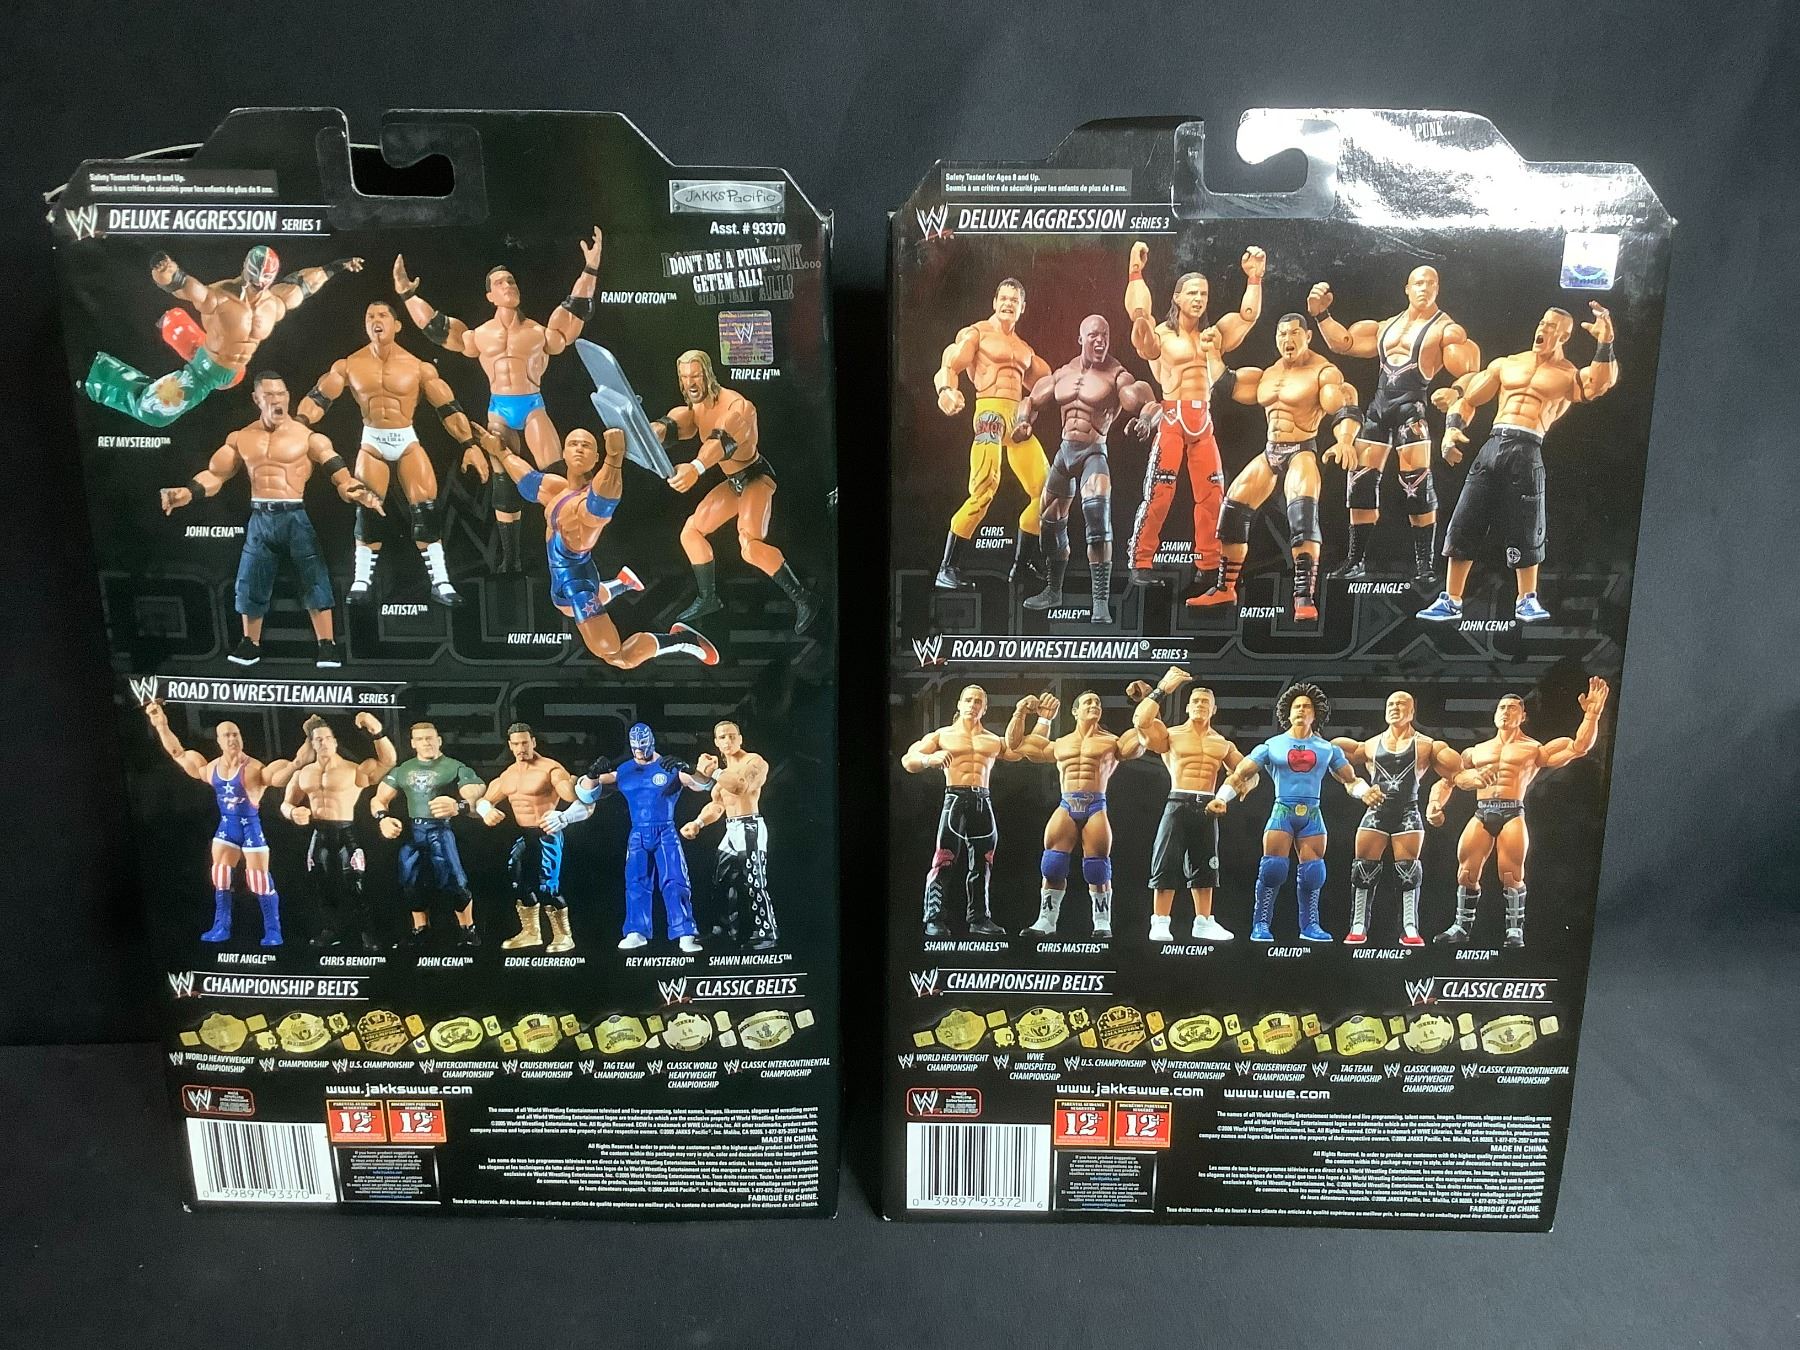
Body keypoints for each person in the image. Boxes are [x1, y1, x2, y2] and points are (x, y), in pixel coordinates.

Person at [393, 230, 601, 569]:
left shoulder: (539, 332)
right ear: (490, 296)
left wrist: (590, 269)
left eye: (512, 281)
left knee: (557, 476)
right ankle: (511, 560)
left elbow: (576, 310)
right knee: (504, 480)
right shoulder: (479, 335)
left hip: (532, 405)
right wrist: (406, 294)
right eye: (500, 283)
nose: (508, 286)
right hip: (499, 409)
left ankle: (570, 546)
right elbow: (434, 327)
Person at [159, 372, 383, 669]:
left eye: (281, 394)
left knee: (314, 578)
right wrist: (188, 493)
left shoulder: (308, 438)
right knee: (250, 580)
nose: (277, 400)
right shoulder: (241, 438)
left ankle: (327, 646)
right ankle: (249, 644)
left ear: (288, 396)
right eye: (270, 395)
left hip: (294, 516)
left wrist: (354, 490)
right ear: (257, 399)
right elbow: (215, 475)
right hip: (260, 518)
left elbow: (338, 472)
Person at [1418, 303, 1618, 624]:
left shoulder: (1567, 375)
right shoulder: (1507, 364)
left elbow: (1599, 384)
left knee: (1527, 523)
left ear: (1564, 336)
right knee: (1466, 518)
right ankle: (1451, 599)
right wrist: (1452, 430)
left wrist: (1605, 342)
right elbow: (1469, 398)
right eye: (1543, 323)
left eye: (1552, 327)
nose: (1544, 329)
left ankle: (1527, 599)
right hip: (1494, 442)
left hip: (1528, 446)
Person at [296, 300, 494, 606]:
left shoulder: (417, 367)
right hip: (372, 441)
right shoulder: (349, 365)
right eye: (370, 316)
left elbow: (447, 407)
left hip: (405, 438)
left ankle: (441, 581)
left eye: (382, 315)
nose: (375, 320)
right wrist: (297, 428)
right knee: (367, 509)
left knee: (426, 510)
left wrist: (469, 445)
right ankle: (361, 580)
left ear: (397, 325)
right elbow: (319, 398)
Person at [477, 423, 718, 667]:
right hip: (567, 578)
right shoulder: (556, 488)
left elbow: (601, 503)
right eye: (573, 444)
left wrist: (614, 459)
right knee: (564, 607)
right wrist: (501, 452)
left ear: (596, 458)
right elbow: (528, 481)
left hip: (579, 588)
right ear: (564, 453)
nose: (579, 448)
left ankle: (681, 640)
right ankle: (622, 584)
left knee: (616, 656)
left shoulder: (586, 504)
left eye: (587, 445)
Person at [1308, 267, 1480, 585]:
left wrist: (1456, 391)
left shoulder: (1446, 329)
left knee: (1416, 486)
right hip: (1378, 408)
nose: (1424, 288)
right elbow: (1344, 342)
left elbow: (1472, 370)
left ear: (1438, 288)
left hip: (1411, 409)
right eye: (1419, 283)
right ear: (1407, 288)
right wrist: (1321, 315)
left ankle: (1424, 566)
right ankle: (1355, 561)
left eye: (1431, 283)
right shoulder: (1385, 326)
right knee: (1359, 483)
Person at [1193, 315, 1360, 621]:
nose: (1288, 339)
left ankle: (1304, 598)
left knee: (1302, 518)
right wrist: (1212, 352)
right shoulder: (1268, 374)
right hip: (1270, 452)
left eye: (1294, 333)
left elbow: (1344, 405)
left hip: (1301, 452)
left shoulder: (1323, 372)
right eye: (1282, 334)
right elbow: (1227, 383)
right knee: (1233, 509)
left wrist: (1346, 440)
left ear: (1308, 336)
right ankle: (1225, 588)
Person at [85, 245, 362, 426]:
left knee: (222, 364)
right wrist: (168, 272)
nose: (256, 290)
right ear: (246, 272)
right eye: (253, 283)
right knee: (152, 412)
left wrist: (336, 266)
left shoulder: (276, 302)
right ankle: (98, 377)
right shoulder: (220, 298)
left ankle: (173, 323)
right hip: (204, 372)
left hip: (234, 373)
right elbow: (185, 287)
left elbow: (305, 284)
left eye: (262, 285)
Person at [1122, 242, 1266, 591]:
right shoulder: (1162, 334)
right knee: (1159, 493)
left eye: (1203, 293)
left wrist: (1255, 278)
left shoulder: (1213, 335)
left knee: (1213, 495)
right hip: (1172, 419)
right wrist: (1135, 272)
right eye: (1192, 292)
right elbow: (1141, 329)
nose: (1199, 298)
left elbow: (1248, 316)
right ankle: (1140, 561)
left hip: (1203, 422)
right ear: (1177, 297)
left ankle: (1209, 563)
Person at [1426, 679, 1609, 947]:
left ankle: (1514, 931)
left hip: (1511, 812)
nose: (1506, 712)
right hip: (1482, 811)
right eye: (1502, 707)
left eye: (1512, 708)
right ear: (1495, 714)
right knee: (1466, 873)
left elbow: (1578, 747)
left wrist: (1592, 715)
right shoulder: (1476, 751)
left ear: (1523, 716)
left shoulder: (1533, 749)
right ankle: (1461, 928)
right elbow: (1448, 780)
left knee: (1511, 875)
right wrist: (1434, 804)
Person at [656, 350, 819, 633]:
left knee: (750, 545)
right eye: (684, 377)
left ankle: (804, 598)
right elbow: (677, 425)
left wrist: (695, 468)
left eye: (695, 376)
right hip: (733, 483)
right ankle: (708, 598)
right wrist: (653, 432)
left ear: (707, 375)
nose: (690, 383)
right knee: (691, 531)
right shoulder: (696, 408)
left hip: (756, 477)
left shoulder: (738, 407)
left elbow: (721, 442)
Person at [1011, 315, 1157, 622]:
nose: (1100, 340)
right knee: (1049, 524)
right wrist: (1022, 422)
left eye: (1105, 335)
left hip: (1093, 453)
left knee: (1097, 517)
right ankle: (1053, 591)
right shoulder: (1064, 373)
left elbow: (1145, 400)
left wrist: (1145, 420)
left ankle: (1100, 604)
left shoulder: (1117, 375)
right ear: (1081, 339)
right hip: (1065, 453)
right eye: (1093, 335)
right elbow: (1030, 401)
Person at [1210, 683, 1381, 942]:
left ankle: (1310, 925)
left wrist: (1365, 792)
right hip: (1283, 810)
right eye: (1296, 706)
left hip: (1311, 813)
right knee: (1273, 870)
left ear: (1316, 714)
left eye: (1307, 706)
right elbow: (1239, 775)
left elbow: (1350, 779)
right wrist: (1221, 798)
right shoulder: (1271, 746)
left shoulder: (1327, 749)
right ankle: (1260, 924)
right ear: (1287, 714)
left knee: (1313, 873)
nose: (1301, 710)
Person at [1329, 691, 1494, 946]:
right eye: (1390, 704)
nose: (1395, 707)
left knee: (1409, 873)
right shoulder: (1370, 745)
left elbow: (1457, 775)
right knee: (1363, 869)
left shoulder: (1427, 745)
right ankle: (1358, 924)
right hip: (1377, 811)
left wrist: (1475, 779)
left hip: (1407, 812)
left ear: (1412, 711)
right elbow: (1334, 757)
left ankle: (1409, 926)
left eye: (1401, 704)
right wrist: (1361, 789)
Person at [142, 699, 307, 946]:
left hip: (250, 826)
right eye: (226, 735)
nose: (232, 739)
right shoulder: (210, 768)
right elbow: (178, 753)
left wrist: (297, 762)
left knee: (259, 880)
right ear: (218, 741)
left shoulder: (254, 768)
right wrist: (161, 724)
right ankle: (221, 927)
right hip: (227, 827)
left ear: (241, 738)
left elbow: (278, 777)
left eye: (235, 734)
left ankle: (273, 931)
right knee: (220, 876)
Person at [547, 723, 716, 953]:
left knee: (675, 881)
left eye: (642, 745)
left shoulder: (670, 767)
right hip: (638, 832)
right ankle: (637, 931)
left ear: (651, 742)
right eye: (635, 746)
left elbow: (703, 784)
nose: (639, 751)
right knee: (636, 882)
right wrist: (592, 774)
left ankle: (685, 932)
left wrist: (689, 768)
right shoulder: (625, 770)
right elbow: (586, 794)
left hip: (665, 830)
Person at [931, 279, 1053, 589]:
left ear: (1022, 308)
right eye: (1004, 298)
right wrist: (945, 390)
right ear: (995, 302)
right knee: (984, 488)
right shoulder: (977, 334)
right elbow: (950, 363)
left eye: (1015, 300)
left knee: (1048, 492)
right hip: (990, 415)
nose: (1008, 303)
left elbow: (1049, 383)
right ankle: (948, 567)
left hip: (1017, 421)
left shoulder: (1025, 350)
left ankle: (1022, 566)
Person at [1004, 690, 1144, 939]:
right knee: (1052, 865)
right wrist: (1023, 713)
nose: (1094, 705)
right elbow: (1016, 745)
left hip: (1095, 805)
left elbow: (1143, 738)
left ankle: (1102, 922)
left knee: (1097, 868)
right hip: (1067, 803)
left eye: (1098, 702)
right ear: (1075, 711)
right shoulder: (1061, 743)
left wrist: (1146, 703)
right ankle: (1046, 920)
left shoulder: (1112, 742)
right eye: (1088, 702)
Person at [1128, 667, 1247, 942]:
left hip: (1208, 805)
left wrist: (1225, 796)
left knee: (1206, 867)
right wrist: (1163, 688)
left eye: (1205, 702)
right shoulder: (1171, 735)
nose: (1200, 705)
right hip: (1178, 802)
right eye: (1195, 701)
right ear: (1186, 707)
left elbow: (1247, 774)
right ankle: (1160, 922)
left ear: (1214, 710)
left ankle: (1204, 922)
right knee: (1166, 862)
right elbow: (1141, 722)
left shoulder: (1223, 744)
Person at [901, 685, 1022, 938]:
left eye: (978, 701)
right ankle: (933, 918)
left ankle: (979, 919)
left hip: (982, 799)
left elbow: (1022, 750)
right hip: (955, 798)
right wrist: (928, 759)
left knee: (983, 862)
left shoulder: (993, 740)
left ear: (984, 708)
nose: (972, 705)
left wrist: (1027, 716)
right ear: (959, 704)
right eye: (968, 700)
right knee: (944, 859)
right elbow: (908, 760)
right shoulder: (942, 735)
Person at [279, 713, 396, 951]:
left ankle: (366, 932)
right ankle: (330, 930)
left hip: (346, 832)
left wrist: (377, 732)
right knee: (320, 885)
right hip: (319, 832)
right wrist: (292, 812)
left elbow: (387, 762)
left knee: (355, 885)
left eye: (327, 738)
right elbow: (286, 803)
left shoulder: (353, 770)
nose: (323, 743)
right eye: (318, 739)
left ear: (334, 741)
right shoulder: (303, 773)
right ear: (312, 743)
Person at [371, 723, 486, 949]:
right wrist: (382, 818)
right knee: (411, 881)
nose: (426, 742)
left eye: (430, 738)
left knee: (454, 881)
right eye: (420, 739)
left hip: (440, 830)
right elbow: (378, 799)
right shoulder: (403, 769)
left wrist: (460, 806)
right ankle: (420, 929)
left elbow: (478, 794)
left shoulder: (453, 767)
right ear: (413, 743)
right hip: (414, 831)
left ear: (439, 740)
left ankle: (468, 929)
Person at [474, 723, 580, 953]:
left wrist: (575, 789)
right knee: (516, 879)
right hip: (525, 834)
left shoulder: (550, 769)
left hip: (548, 833)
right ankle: (531, 933)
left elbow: (572, 796)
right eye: (516, 744)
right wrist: (485, 811)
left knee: (548, 887)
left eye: (525, 742)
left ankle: (564, 936)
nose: (521, 748)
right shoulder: (508, 775)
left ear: (533, 742)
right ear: (510, 746)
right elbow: (483, 800)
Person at [679, 720, 779, 950]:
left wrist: (713, 771)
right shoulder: (722, 775)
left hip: (750, 827)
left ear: (740, 738)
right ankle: (723, 930)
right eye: (722, 737)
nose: (728, 741)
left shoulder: (753, 761)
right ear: (716, 742)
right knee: (720, 880)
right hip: (731, 829)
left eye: (732, 736)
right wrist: (698, 823)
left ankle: (767, 932)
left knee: (754, 881)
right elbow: (717, 805)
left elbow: (740, 787)